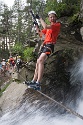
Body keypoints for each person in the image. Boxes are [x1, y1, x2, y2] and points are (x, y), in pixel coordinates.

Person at [28, 11, 61, 90]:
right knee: (38, 62)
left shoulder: (57, 25)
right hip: (45, 45)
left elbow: (45, 26)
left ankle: (38, 83)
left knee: (41, 60)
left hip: (50, 45)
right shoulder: (49, 28)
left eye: (53, 17)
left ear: (56, 17)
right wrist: (36, 26)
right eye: (51, 17)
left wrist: (40, 18)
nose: (52, 18)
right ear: (49, 19)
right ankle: (33, 81)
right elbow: (41, 34)